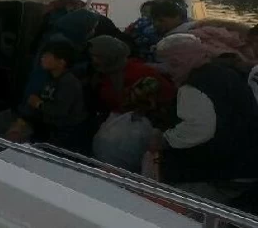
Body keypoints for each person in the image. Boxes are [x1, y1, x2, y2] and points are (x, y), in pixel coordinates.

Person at [149, 34, 258, 184]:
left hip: (223, 176)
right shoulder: (225, 73)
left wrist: (165, 139)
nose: (167, 71)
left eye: (167, 64)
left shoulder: (193, 87)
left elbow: (198, 128)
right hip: (246, 163)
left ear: (177, 62)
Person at [87, 35, 174, 118]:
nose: (93, 60)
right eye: (92, 56)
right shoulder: (102, 73)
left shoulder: (140, 72)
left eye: (97, 56)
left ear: (110, 56)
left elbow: (166, 97)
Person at [25, 40, 88, 152]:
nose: (42, 58)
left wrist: (38, 104)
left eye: (47, 56)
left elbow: (60, 110)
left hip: (63, 134)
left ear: (61, 62)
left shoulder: (69, 82)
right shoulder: (50, 77)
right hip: (47, 127)